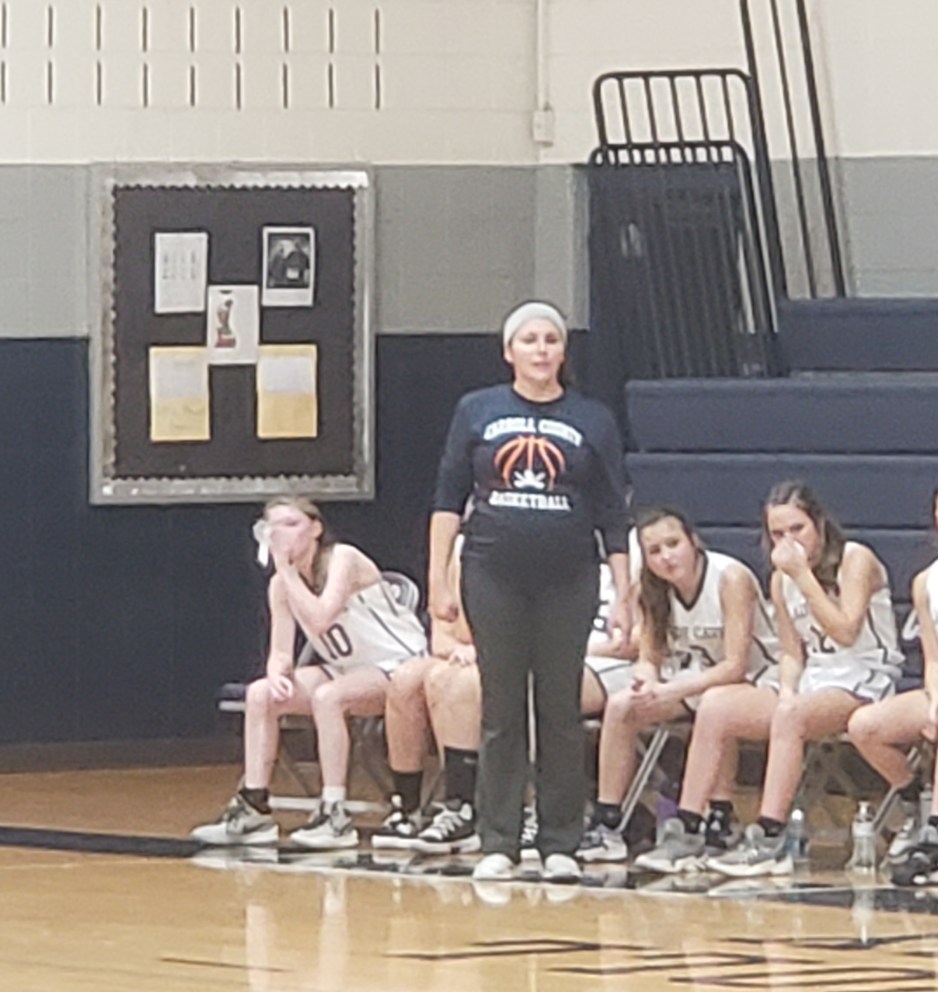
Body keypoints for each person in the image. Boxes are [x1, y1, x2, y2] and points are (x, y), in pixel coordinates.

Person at [430, 300, 631, 883]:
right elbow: (447, 499)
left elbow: (612, 513)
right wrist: (437, 578)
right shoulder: (477, 410)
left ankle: (560, 840)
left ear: (563, 351)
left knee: (559, 709)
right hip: (492, 573)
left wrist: (623, 592)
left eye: (551, 339)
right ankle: (498, 838)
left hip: (569, 578)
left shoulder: (593, 419)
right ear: (508, 351)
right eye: (530, 340)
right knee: (501, 707)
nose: (541, 349)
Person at [191, 497, 428, 849]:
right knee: (261, 695)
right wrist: (277, 673)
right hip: (347, 668)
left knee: (328, 697)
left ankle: (334, 813)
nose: (281, 533)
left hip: (400, 663)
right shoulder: (280, 586)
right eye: (273, 526)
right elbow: (281, 651)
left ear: (316, 529)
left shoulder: (343, 558)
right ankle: (254, 806)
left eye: (291, 524)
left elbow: (321, 617)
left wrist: (285, 570)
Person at [370, 551, 638, 855]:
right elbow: (444, 636)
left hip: (581, 657)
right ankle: (416, 808)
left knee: (477, 684)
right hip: (500, 652)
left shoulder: (618, 560)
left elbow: (638, 638)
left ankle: (507, 809)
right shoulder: (473, 554)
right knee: (410, 680)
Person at [707, 480, 902, 878]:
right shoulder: (780, 580)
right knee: (716, 705)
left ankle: (771, 836)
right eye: (778, 533)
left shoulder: (855, 559)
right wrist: (786, 689)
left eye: (797, 529)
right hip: (816, 678)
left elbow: (845, 631)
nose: (789, 541)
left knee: (791, 715)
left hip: (866, 675)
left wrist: (803, 577)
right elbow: (791, 652)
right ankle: (697, 824)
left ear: (819, 524)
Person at [578, 506, 779, 867]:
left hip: (758, 677)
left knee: (716, 704)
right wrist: (647, 681)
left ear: (694, 541)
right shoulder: (650, 589)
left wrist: (673, 690)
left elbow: (734, 666)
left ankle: (714, 818)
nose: (666, 557)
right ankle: (608, 825)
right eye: (655, 551)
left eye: (673, 544)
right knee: (623, 705)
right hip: (693, 679)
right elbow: (649, 657)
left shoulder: (730, 578)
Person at [848, 475, 938, 880]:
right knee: (864, 725)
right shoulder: (926, 581)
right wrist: (936, 697)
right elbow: (935, 659)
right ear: (935, 519)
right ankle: (916, 798)